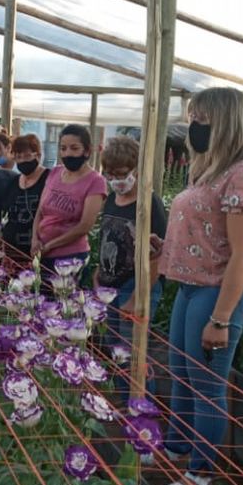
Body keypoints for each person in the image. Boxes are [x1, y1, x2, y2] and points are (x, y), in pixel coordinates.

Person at [158, 87, 243, 485]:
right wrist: (165, 247)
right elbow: (201, 232)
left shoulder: (242, 176)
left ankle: (200, 475)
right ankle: (177, 449)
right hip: (190, 287)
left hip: (218, 292)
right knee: (181, 375)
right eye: (192, 118)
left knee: (206, 386)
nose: (193, 126)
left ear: (224, 122)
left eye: (202, 119)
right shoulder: (205, 170)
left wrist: (221, 318)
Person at [96, 135, 167, 395]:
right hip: (110, 284)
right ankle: (123, 403)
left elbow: (159, 256)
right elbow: (107, 237)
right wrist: (99, 271)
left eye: (122, 173)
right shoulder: (113, 199)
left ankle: (141, 405)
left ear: (137, 170)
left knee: (132, 353)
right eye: (110, 174)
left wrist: (138, 296)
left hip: (134, 286)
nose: (116, 180)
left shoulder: (148, 204)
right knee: (114, 347)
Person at [30, 123, 107, 282]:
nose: (68, 153)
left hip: (70, 258)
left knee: (62, 303)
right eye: (63, 148)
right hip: (42, 252)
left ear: (86, 150)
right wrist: (34, 239)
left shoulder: (95, 181)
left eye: (74, 148)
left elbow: (85, 226)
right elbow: (40, 210)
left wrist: (50, 245)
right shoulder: (55, 173)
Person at [1, 133, 50, 266]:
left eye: (27, 156)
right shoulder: (13, 182)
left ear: (38, 155)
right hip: (12, 256)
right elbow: (7, 216)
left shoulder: (49, 179)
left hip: (39, 254)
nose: (22, 161)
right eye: (18, 157)